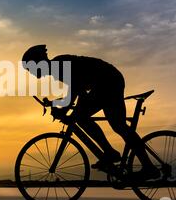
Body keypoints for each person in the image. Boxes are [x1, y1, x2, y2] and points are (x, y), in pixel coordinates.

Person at [21, 44, 160, 181]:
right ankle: (115, 155)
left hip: (108, 81)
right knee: (112, 124)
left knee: (93, 120)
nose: (31, 73)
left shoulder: (59, 65)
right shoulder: (57, 66)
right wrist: (56, 104)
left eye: (30, 69)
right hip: (107, 80)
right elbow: (75, 94)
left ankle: (134, 162)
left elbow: (76, 91)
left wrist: (63, 109)